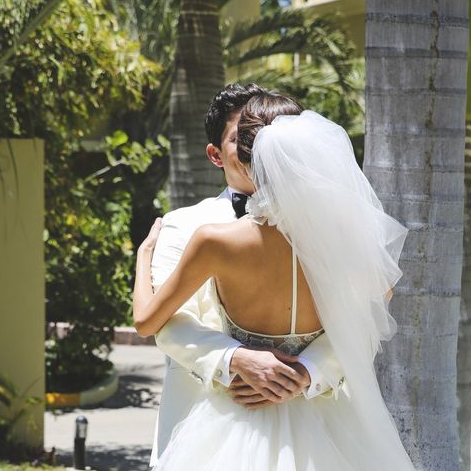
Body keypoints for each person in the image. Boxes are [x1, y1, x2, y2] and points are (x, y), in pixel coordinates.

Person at [134, 93, 415, 469]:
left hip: (244, 429)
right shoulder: (338, 235)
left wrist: (308, 372)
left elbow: (147, 320)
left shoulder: (214, 240)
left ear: (252, 156)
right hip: (300, 428)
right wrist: (236, 359)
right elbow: (374, 308)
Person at [147, 84, 345, 468]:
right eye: (243, 138)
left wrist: (309, 371)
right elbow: (168, 322)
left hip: (319, 427)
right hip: (208, 427)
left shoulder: (328, 229)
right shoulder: (185, 225)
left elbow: (361, 322)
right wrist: (235, 358)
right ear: (217, 154)